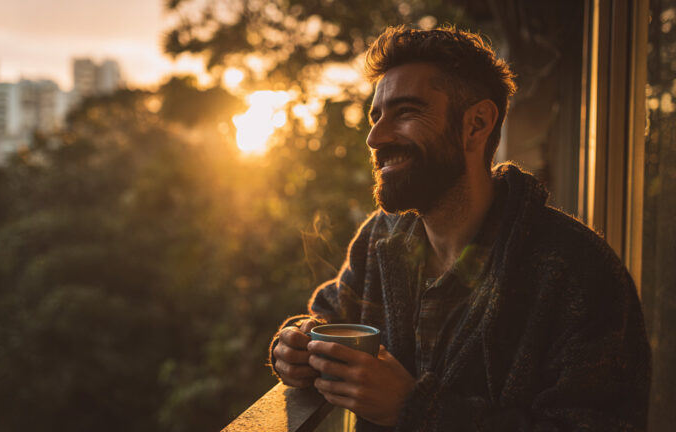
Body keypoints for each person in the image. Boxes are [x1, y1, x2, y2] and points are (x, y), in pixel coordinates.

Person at [269, 25, 651, 432]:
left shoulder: (579, 273)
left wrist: (416, 411)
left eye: (406, 111)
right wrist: (293, 344)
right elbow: (327, 318)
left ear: (476, 124)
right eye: (376, 115)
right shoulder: (381, 238)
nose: (374, 137)